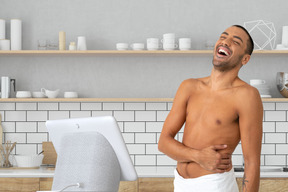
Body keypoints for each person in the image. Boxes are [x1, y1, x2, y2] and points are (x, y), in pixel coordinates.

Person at [158, 25, 263, 192]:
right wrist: (198, 156)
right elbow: (163, 142)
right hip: (180, 184)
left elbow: (252, 161)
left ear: (245, 59)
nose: (226, 41)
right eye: (223, 36)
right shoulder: (189, 87)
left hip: (215, 185)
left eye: (235, 41)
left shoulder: (247, 95)